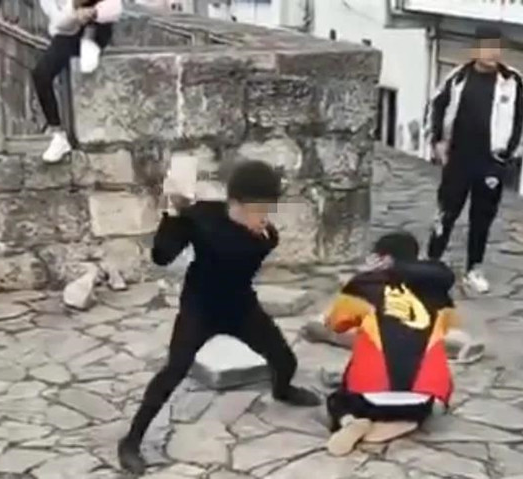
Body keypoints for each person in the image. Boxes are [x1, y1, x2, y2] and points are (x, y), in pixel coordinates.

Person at [118, 160, 320, 475]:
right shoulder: (201, 216)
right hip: (200, 307)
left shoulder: (266, 237)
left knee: (286, 361)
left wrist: (255, 235)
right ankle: (131, 441)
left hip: (240, 308)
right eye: (258, 209)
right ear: (235, 202)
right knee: (173, 371)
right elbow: (161, 256)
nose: (264, 216)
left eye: (268, 209)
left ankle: (282, 390)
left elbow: (240, 254)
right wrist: (173, 215)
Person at [322, 231, 457, 456]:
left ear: (384, 259)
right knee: (430, 397)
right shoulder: (437, 290)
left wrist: (357, 283)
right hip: (419, 401)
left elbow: (335, 324)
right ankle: (404, 423)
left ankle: (350, 421)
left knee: (337, 400)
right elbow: (450, 324)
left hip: (367, 399)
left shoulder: (365, 285)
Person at [425, 25, 523, 294]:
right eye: (487, 47)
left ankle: (474, 268)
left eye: (497, 47)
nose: (492, 53)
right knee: (446, 211)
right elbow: (436, 107)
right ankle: (432, 260)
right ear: (475, 49)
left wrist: (508, 156)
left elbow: (520, 120)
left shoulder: (512, 81)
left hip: (491, 161)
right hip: (459, 158)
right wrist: (437, 142)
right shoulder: (457, 77)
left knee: (482, 218)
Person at [34, 0, 122, 163]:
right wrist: (74, 10)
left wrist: (94, 13)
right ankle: (58, 135)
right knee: (41, 74)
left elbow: (115, 8)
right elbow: (58, 22)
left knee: (88, 59)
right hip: (67, 34)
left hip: (97, 27)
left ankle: (90, 42)